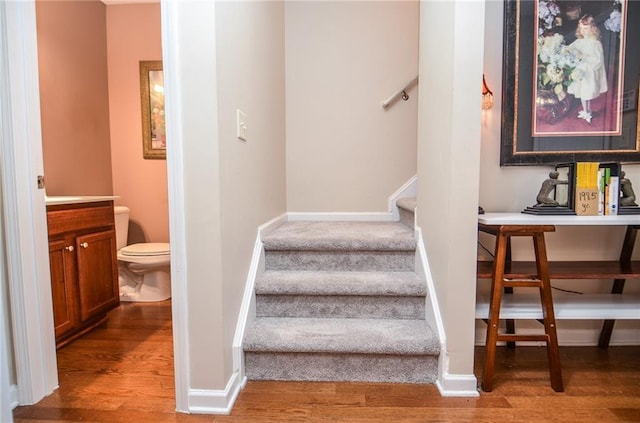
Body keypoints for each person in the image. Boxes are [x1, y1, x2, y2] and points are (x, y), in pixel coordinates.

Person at [567, 15, 608, 124]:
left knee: (586, 93)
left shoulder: (595, 43)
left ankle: (587, 111)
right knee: (582, 92)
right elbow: (570, 48)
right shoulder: (579, 41)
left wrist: (583, 57)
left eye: (586, 28)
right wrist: (568, 51)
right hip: (579, 72)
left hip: (588, 73)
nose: (583, 31)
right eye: (581, 28)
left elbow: (598, 60)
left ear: (592, 28)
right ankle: (586, 110)